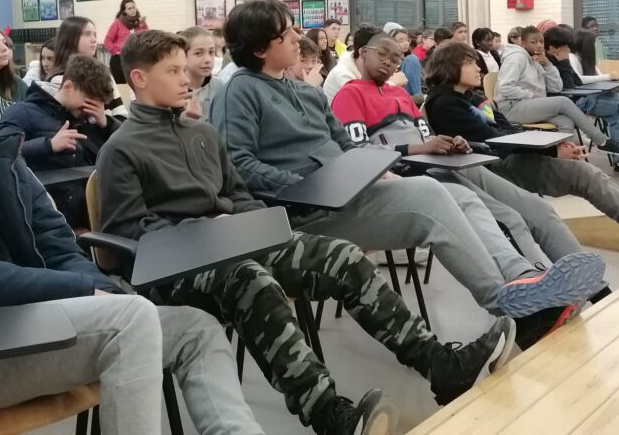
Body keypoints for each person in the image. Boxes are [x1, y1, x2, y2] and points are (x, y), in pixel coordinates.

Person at [0, 47, 265, 435]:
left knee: (195, 329)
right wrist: (85, 291)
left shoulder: (3, 162)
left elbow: (57, 243)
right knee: (131, 318)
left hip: (27, 329)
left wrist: (102, 291)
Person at [97, 32, 516, 431]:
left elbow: (238, 194)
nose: (185, 78)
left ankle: (438, 365)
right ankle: (330, 415)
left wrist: (250, 224)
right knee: (250, 279)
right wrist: (203, 231)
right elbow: (129, 233)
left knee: (341, 256)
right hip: (179, 265)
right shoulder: (121, 149)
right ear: (139, 78)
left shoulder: (202, 134)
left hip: (234, 242)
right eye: (172, 71)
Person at [211, 0, 606, 321]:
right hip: (307, 211)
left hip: (348, 192)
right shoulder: (240, 91)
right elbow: (239, 166)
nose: (299, 38)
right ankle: (502, 299)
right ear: (260, 48)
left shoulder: (306, 93)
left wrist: (374, 170)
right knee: (431, 195)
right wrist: (307, 186)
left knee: (456, 195)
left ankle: (522, 281)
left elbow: (345, 146)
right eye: (287, 33)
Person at [332, 32, 608, 344]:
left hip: (434, 168)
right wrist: (419, 148)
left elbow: (426, 138)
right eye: (382, 54)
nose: (388, 62)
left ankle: (538, 282)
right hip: (398, 178)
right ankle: (526, 281)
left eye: (395, 59)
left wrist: (448, 143)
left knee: (511, 215)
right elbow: (358, 153)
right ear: (362, 53)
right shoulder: (350, 94)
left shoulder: (402, 96)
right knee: (470, 202)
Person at [423, 42, 619, 253]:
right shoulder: (444, 104)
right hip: (492, 169)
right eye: (470, 63)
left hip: (509, 156)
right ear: (451, 67)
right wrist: (551, 150)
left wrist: (551, 145)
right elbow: (494, 143)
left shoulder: (471, 97)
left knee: (585, 171)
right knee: (585, 174)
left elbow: (506, 129)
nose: (478, 68)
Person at [495, 26, 619, 157]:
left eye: (541, 41)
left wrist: (547, 64)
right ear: (523, 43)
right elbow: (506, 88)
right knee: (564, 101)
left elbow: (556, 87)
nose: (539, 45)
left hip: (527, 106)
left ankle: (561, 159)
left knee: (566, 121)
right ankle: (602, 141)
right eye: (533, 42)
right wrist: (532, 96)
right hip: (511, 108)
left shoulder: (536, 60)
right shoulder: (516, 58)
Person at [544, 27, 619, 175]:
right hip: (576, 103)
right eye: (565, 47)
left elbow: (576, 81)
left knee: (618, 113)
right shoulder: (559, 61)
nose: (568, 50)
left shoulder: (572, 59)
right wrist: (564, 62)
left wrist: (607, 78)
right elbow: (569, 86)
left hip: (583, 98)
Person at [0, 53, 120, 172]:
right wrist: (49, 145)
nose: (89, 107)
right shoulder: (23, 112)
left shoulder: (86, 120)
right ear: (67, 87)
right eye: (88, 100)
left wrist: (107, 125)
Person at [49, 16, 127, 118]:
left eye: (95, 34)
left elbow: (122, 117)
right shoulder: (59, 81)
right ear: (69, 39)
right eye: (87, 34)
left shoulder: (106, 77)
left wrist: (105, 121)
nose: (94, 40)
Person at [179, 26, 225, 121]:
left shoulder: (220, 87)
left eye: (211, 52)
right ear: (183, 56)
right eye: (198, 53)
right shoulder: (172, 90)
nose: (208, 59)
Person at [104, 0, 148, 84]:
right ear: (124, 11)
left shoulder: (140, 22)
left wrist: (142, 25)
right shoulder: (117, 23)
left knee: (136, 85)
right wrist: (115, 51)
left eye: (133, 7)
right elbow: (107, 40)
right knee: (122, 87)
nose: (132, 10)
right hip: (119, 60)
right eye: (129, 8)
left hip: (135, 59)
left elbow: (146, 38)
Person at [390, 27, 423, 99]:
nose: (406, 43)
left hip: (408, 96)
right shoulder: (386, 63)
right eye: (401, 41)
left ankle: (418, 97)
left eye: (407, 40)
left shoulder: (410, 60)